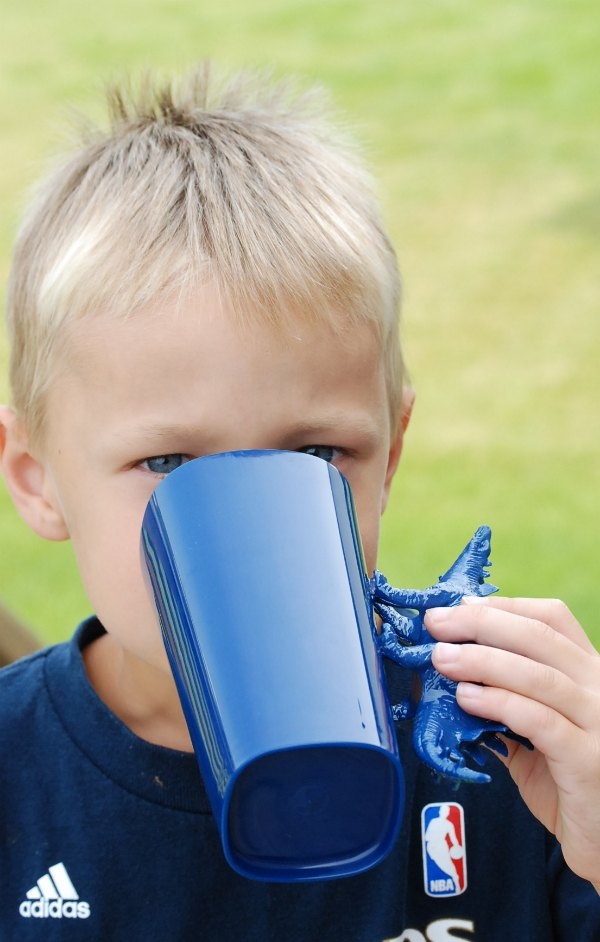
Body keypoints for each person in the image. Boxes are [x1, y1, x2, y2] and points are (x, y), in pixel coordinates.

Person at [0, 64, 598, 941]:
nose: (252, 543)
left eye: (319, 454)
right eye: (170, 461)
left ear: (390, 452)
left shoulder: (512, 762)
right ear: (36, 477)